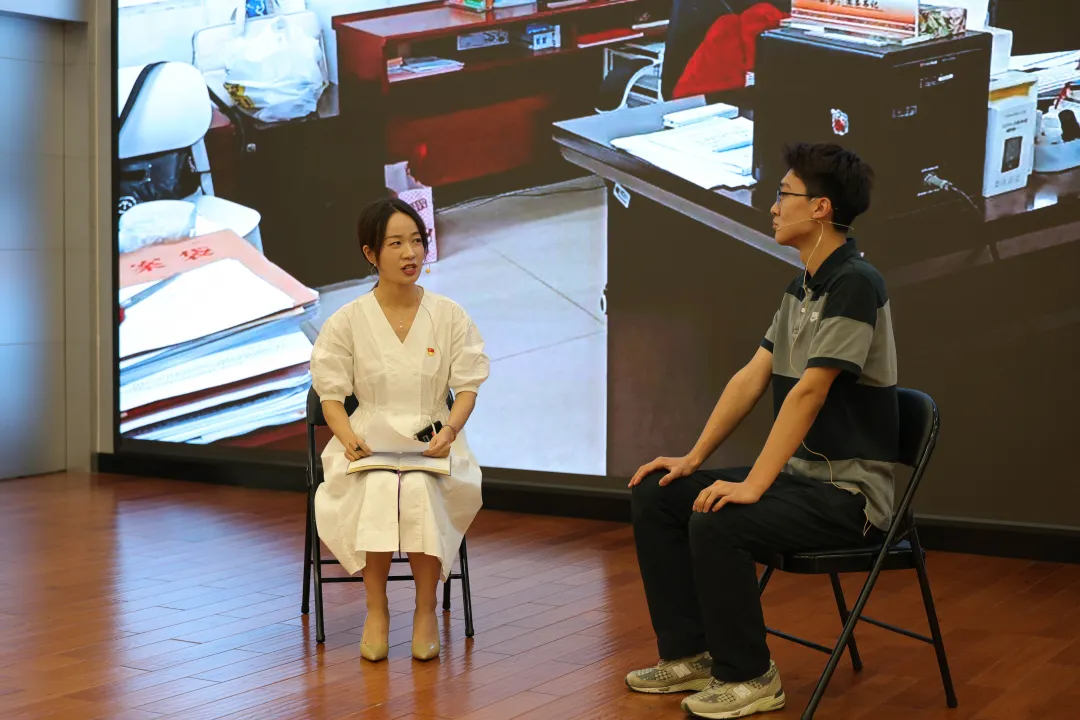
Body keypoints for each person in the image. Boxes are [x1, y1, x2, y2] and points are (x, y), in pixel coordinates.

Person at [624, 142, 896, 718]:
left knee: (719, 518)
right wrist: (692, 459)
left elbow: (810, 392)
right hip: (803, 480)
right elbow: (751, 378)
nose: (773, 207)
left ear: (820, 207)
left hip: (849, 495)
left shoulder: (856, 283)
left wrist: (753, 486)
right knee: (660, 492)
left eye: (783, 194)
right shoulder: (802, 288)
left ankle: (750, 675)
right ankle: (691, 654)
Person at [310, 197, 490, 663]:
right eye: (395, 244)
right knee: (378, 486)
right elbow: (330, 396)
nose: (410, 253)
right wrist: (348, 438)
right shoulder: (347, 320)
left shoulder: (448, 315)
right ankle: (377, 610)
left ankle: (425, 611)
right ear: (371, 253)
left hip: (435, 440)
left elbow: (467, 386)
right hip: (366, 440)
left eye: (416, 241)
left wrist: (450, 430)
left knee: (419, 489)